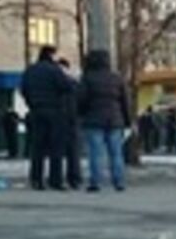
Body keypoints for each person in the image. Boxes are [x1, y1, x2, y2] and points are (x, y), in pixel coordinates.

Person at [77, 49, 132, 193]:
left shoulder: (87, 78)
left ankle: (95, 182)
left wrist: (81, 114)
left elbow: (81, 99)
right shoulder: (117, 78)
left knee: (95, 153)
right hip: (115, 119)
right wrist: (127, 121)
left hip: (93, 119)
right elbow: (125, 101)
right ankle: (119, 181)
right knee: (116, 153)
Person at [20, 45, 72, 190]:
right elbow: (66, 87)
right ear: (51, 55)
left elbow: (24, 89)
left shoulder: (31, 70)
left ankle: (36, 179)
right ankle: (55, 180)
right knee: (56, 147)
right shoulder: (54, 70)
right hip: (55, 111)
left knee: (38, 147)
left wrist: (31, 103)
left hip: (37, 111)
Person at [57, 57, 83, 189]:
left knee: (61, 150)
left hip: (62, 118)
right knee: (73, 151)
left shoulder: (57, 84)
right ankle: (74, 178)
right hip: (73, 118)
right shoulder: (74, 83)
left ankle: (61, 178)